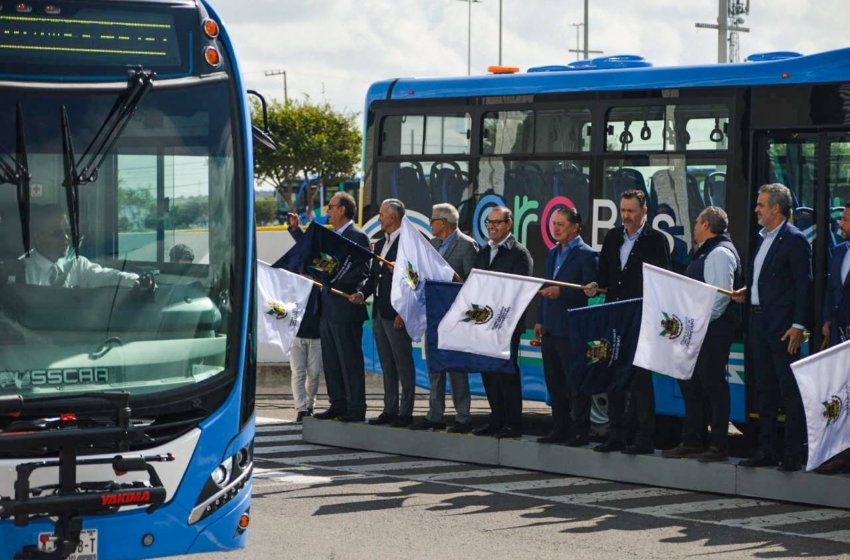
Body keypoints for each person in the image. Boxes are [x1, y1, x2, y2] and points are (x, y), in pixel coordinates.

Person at [731, 183, 812, 472]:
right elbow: (764, 279)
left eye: (761, 205)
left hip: (782, 327)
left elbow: (804, 285)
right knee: (763, 390)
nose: (756, 209)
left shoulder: (795, 239)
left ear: (775, 209)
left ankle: (793, 453)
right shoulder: (763, 238)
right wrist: (746, 290)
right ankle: (765, 450)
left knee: (788, 390)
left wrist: (798, 325)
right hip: (758, 322)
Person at [585, 189, 670, 454]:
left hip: (641, 319)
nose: (626, 216)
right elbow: (604, 275)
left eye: (631, 211)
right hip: (614, 317)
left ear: (644, 211)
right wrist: (595, 285)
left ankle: (644, 438)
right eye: (623, 210)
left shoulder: (656, 241)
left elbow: (662, 282)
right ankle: (616, 435)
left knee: (640, 380)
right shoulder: (612, 237)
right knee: (613, 377)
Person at [662, 207, 742, 463]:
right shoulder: (708, 250)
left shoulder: (719, 253)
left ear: (706, 225)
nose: (694, 226)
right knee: (692, 383)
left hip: (712, 331)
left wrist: (697, 324)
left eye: (697, 222)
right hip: (700, 330)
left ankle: (718, 445)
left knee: (713, 385)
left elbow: (719, 298)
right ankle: (693, 440)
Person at [289, 193, 370, 423]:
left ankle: (356, 407)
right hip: (326, 309)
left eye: (331, 207)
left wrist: (334, 279)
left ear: (342, 210)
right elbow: (312, 254)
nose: (328, 212)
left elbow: (362, 270)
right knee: (332, 362)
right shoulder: (332, 236)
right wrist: (296, 230)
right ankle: (338, 404)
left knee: (349, 361)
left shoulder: (358, 237)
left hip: (346, 309)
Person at [409, 203, 478, 433]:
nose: (430, 224)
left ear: (444, 223)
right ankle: (435, 415)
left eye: (432, 220)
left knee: (456, 370)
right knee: (435, 370)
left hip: (456, 320)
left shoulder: (467, 246)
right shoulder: (433, 244)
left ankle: (463, 417)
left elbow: (471, 284)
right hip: (434, 316)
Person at [533, 207, 598, 445]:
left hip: (571, 329)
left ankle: (581, 431)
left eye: (561, 224)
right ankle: (559, 428)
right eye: (554, 224)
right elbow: (545, 286)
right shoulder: (552, 253)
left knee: (576, 383)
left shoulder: (587, 255)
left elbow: (589, 293)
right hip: (550, 327)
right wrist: (539, 318)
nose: (556, 228)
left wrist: (562, 292)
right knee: (555, 382)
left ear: (575, 226)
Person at [350, 199, 416, 428]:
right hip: (379, 311)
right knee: (387, 364)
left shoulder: (409, 243)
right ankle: (390, 409)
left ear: (393, 217)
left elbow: (414, 281)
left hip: (397, 313)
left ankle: (406, 412)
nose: (378, 218)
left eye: (381, 214)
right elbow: (373, 278)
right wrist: (362, 294)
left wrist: (404, 312)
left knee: (403, 364)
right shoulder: (378, 244)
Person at [471, 206, 533, 439]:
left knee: (506, 373)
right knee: (488, 372)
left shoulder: (519, 253)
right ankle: (496, 419)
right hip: (484, 322)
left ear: (509, 224)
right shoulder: (484, 250)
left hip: (507, 324)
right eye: (489, 222)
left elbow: (520, 290)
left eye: (497, 222)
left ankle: (513, 423)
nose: (492, 226)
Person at [24, 204, 139, 288]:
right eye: (57, 232)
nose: (65, 238)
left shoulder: (77, 264)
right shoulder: (22, 271)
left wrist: (134, 280)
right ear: (38, 237)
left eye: (67, 231)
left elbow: (105, 276)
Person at [816, 203, 850, 473]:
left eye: (846, 220)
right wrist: (827, 319)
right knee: (840, 395)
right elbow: (830, 290)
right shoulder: (839, 251)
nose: (841, 225)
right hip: (839, 336)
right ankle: (841, 452)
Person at [285, 220, 323, 423]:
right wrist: (295, 229)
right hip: (296, 333)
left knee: (314, 374)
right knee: (298, 373)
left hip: (317, 333)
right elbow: (303, 245)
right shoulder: (294, 276)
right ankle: (301, 408)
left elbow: (309, 250)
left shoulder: (323, 276)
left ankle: (310, 405)